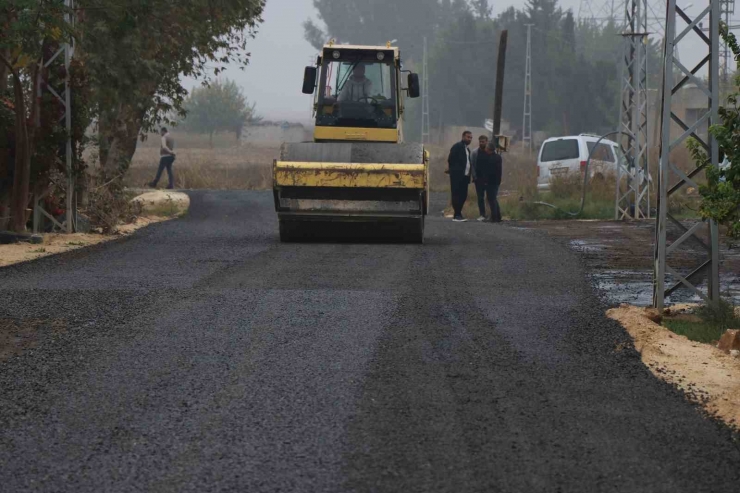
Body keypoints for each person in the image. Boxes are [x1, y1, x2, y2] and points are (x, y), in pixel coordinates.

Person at [446, 130, 473, 222]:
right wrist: (454, 171)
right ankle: (456, 214)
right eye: (468, 137)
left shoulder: (467, 149)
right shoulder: (457, 147)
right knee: (456, 194)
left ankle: (459, 213)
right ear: (463, 137)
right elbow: (450, 159)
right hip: (457, 176)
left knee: (463, 195)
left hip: (465, 176)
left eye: (470, 138)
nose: (469, 139)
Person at [474, 140, 503, 223]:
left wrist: (485, 181)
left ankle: (494, 217)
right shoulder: (498, 157)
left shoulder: (490, 158)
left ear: (489, 149)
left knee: (491, 199)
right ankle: (498, 216)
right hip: (496, 181)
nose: (485, 149)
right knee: (494, 198)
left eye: (486, 148)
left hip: (491, 182)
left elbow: (489, 171)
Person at [471, 135, 489, 221]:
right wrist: (474, 176)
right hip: (479, 179)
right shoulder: (475, 152)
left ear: (486, 142)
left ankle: (490, 214)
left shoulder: (490, 152)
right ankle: (482, 214)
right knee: (480, 197)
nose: (481, 143)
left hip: (489, 179)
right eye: (480, 142)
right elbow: (472, 165)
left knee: (490, 197)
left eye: (483, 142)